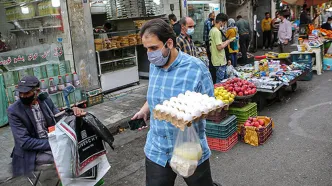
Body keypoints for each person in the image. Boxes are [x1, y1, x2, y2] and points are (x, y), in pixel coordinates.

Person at [132, 18, 220, 186]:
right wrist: (146, 109)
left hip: (189, 147)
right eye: (147, 49)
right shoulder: (154, 65)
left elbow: (210, 105)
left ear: (169, 43)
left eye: (154, 48)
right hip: (157, 148)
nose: (150, 54)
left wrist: (188, 115)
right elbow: (156, 92)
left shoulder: (196, 68)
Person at [7, 76, 85, 176]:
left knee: (79, 148)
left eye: (26, 93)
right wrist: (54, 143)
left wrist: (74, 114)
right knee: (66, 156)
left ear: (37, 91)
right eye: (20, 93)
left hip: (51, 141)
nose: (22, 96)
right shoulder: (14, 111)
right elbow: (25, 142)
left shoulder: (45, 100)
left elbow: (60, 120)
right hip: (32, 151)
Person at [210, 13, 233, 83]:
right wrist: (228, 41)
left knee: (219, 80)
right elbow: (219, 47)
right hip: (219, 61)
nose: (224, 25)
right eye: (224, 23)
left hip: (215, 59)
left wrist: (224, 42)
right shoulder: (217, 32)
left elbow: (216, 44)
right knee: (220, 82)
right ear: (220, 22)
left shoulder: (212, 30)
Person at [203, 12, 216, 83]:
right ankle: (212, 71)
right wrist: (213, 25)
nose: (214, 17)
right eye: (213, 16)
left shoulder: (208, 21)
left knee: (210, 55)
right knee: (210, 56)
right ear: (211, 16)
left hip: (207, 40)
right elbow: (210, 30)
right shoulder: (208, 22)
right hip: (208, 40)